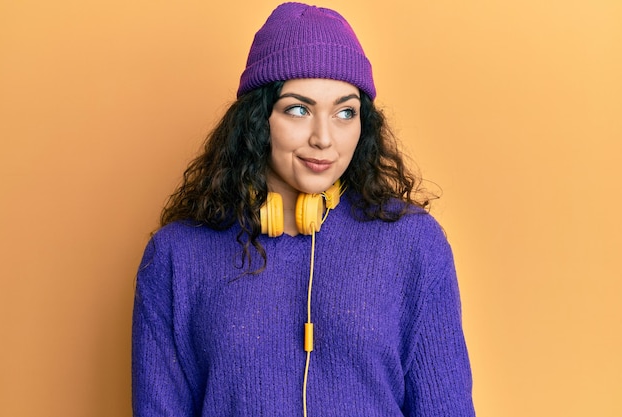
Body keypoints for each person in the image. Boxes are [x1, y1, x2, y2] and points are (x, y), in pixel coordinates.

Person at [131, 2, 475, 416]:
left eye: (345, 112)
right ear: (258, 120)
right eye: (298, 109)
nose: (324, 138)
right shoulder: (176, 257)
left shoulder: (414, 244)